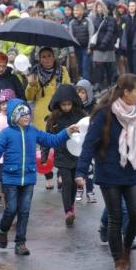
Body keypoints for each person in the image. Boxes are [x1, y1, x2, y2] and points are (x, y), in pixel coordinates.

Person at [75, 74, 136, 270]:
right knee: (115, 217)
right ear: (126, 93)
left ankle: (125, 245)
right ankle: (119, 262)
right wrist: (80, 171)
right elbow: (89, 144)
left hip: (132, 170)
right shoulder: (104, 113)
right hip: (109, 172)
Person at [0, 98, 78, 256]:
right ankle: (3, 230)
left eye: (28, 114)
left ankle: (20, 243)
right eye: (23, 115)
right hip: (11, 177)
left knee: (24, 211)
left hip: (28, 177)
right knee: (11, 209)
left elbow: (52, 140)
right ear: (15, 117)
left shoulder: (33, 131)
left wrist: (67, 132)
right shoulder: (7, 133)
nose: (27, 117)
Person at [25, 47, 70, 189]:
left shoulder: (62, 70)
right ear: (39, 58)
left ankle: (61, 174)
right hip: (42, 113)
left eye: (49, 56)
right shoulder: (35, 72)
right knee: (45, 146)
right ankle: (48, 175)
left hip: (59, 111)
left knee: (61, 145)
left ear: (54, 56)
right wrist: (31, 84)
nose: (47, 59)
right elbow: (29, 96)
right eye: (43, 56)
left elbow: (68, 88)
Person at [44, 85, 85, 226]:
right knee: (66, 182)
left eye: (69, 104)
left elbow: (88, 132)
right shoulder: (54, 118)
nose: (66, 107)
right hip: (62, 155)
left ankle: (71, 207)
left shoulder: (81, 115)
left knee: (74, 183)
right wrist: (44, 156)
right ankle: (68, 211)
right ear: (58, 104)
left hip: (77, 154)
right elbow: (47, 137)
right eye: (63, 105)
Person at [90, 0, 117, 91]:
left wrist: (104, 43)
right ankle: (98, 84)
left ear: (104, 7)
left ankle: (109, 83)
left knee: (109, 67)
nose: (99, 8)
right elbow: (93, 32)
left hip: (108, 47)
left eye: (100, 6)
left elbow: (110, 32)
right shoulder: (95, 18)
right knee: (98, 67)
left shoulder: (110, 18)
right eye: (97, 7)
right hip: (97, 46)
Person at [69, 3, 94, 80]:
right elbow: (71, 37)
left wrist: (90, 47)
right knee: (79, 67)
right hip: (77, 49)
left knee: (85, 66)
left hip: (86, 48)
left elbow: (91, 34)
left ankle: (85, 85)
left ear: (82, 11)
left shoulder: (88, 21)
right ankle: (81, 82)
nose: (75, 12)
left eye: (77, 10)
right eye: (74, 10)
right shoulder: (72, 22)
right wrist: (71, 50)